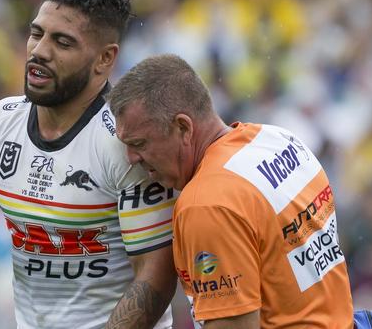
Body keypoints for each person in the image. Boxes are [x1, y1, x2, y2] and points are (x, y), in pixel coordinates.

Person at [0, 0, 178, 329]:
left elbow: (157, 275)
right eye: (36, 33)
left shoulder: (127, 141)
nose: (39, 51)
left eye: (62, 42)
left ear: (104, 59)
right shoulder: (1, 122)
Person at [107, 54, 354, 328]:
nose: (131, 158)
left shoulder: (206, 205)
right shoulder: (279, 140)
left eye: (139, 143)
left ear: (183, 127)